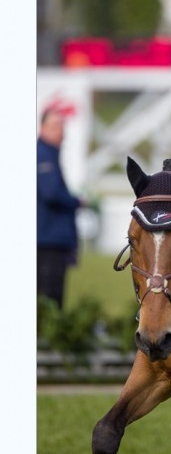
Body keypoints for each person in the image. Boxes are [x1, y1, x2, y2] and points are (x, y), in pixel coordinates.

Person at [37, 106, 82, 308]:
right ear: (42, 127)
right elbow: (51, 193)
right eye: (55, 126)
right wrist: (77, 202)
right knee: (49, 301)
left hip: (51, 239)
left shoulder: (50, 154)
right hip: (47, 241)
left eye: (62, 126)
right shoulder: (42, 155)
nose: (60, 131)